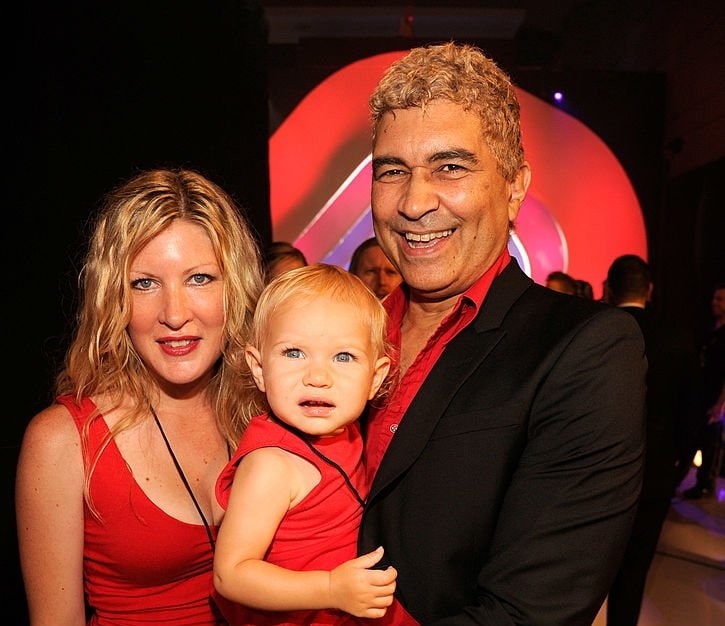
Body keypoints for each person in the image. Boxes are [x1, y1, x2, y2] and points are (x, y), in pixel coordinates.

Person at [357, 42, 647, 625]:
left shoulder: (584, 349)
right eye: (393, 171)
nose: (414, 202)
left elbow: (530, 613)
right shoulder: (341, 333)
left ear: (515, 185)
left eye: (451, 166)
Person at [15, 168, 266, 626]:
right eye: (144, 283)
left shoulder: (270, 410)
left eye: (200, 279)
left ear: (237, 286)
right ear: (113, 299)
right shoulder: (64, 441)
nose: (174, 314)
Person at [213, 263, 416, 625]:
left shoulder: (349, 431)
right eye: (294, 353)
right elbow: (231, 575)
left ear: (375, 378)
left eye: (343, 357)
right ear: (259, 369)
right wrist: (331, 588)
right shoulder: (271, 465)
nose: (318, 377)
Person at [603, 254, 699, 626]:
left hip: (598, 469)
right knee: (635, 567)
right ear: (650, 290)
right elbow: (690, 416)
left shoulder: (598, 329)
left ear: (610, 289)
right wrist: (675, 473)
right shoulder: (678, 339)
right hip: (654, 473)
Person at [677, 282, 725, 498]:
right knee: (696, 438)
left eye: (720, 299)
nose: (714, 303)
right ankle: (695, 482)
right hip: (702, 395)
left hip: (716, 398)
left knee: (711, 443)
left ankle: (705, 484)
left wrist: (721, 404)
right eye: (714, 298)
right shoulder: (711, 330)